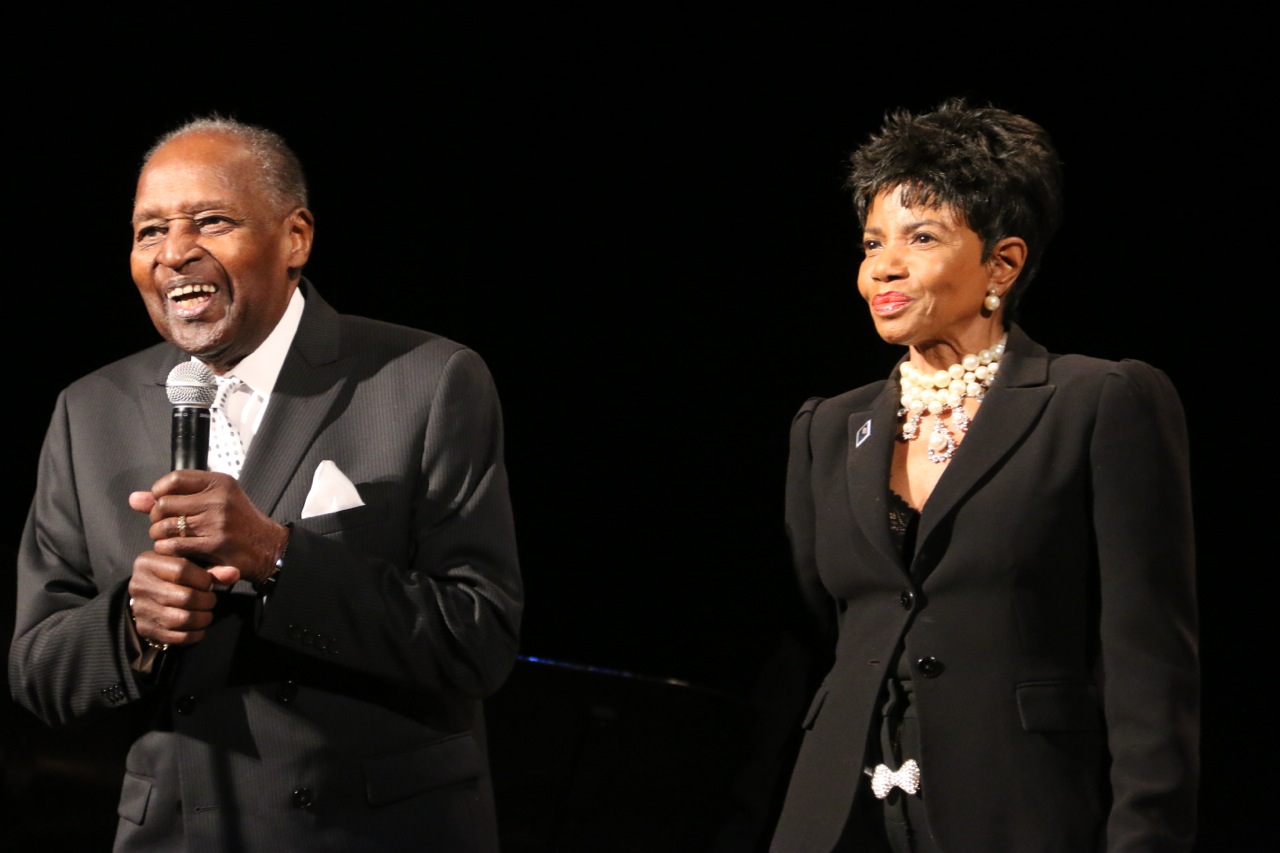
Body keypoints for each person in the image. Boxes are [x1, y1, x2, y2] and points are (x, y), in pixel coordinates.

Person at [8, 117, 522, 851]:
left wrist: (278, 555)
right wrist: (131, 625)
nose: (175, 251)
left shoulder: (425, 381)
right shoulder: (89, 410)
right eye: (149, 229)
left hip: (368, 829)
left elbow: (480, 639)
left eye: (209, 220)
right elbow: (37, 669)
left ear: (296, 238)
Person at [770, 101, 1198, 852]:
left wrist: (1147, 837)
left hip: (1018, 809)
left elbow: (1150, 664)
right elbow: (829, 625)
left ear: (1003, 262)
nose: (883, 267)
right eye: (873, 242)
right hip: (839, 817)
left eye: (921, 237)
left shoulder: (1098, 401)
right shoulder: (828, 428)